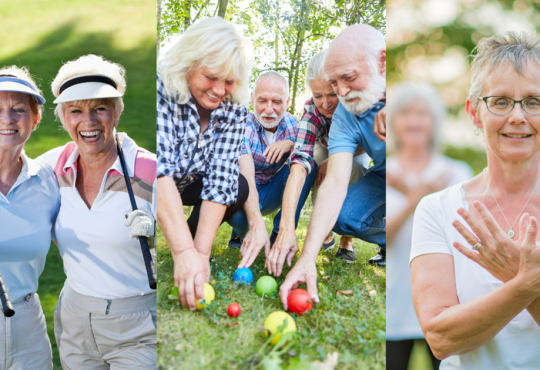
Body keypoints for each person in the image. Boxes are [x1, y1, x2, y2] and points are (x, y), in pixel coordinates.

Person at [411, 32, 540, 369]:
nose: (517, 116)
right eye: (500, 101)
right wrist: (524, 283)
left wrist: (515, 276)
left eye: (533, 101)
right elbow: (441, 339)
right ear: (474, 113)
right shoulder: (437, 209)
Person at [37, 54, 157, 369]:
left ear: (116, 112)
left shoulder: (150, 171)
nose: (88, 123)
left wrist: (160, 240)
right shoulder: (51, 167)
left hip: (140, 327)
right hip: (76, 320)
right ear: (62, 117)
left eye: (99, 109)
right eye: (76, 110)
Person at [279, 23, 387, 309]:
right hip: (382, 175)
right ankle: (388, 238)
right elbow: (333, 181)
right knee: (343, 215)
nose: (338, 95)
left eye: (346, 79)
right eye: (333, 84)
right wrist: (306, 257)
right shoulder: (344, 114)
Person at [156, 17, 253, 310]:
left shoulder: (236, 105)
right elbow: (158, 172)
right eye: (211, 77)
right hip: (150, 181)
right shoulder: (161, 92)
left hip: (191, 180)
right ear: (188, 64)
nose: (219, 90)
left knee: (238, 185)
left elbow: (221, 176)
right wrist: (182, 251)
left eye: (229, 81)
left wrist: (199, 253)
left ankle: (192, 238)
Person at [385, 82, 473, 370]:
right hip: (395, 305)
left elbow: (466, 239)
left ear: (434, 122)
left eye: (422, 113)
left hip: (447, 304)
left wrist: (412, 194)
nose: (414, 120)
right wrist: (417, 199)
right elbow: (381, 237)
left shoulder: (457, 173)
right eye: (406, 113)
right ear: (394, 121)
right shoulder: (384, 174)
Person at [268, 50, 371, 274]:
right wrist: (286, 227)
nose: (325, 104)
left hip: (356, 149)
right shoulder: (311, 110)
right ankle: (324, 229)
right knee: (312, 165)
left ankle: (346, 242)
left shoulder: (357, 102)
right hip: (324, 145)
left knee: (355, 169)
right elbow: (299, 161)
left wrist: (337, 159)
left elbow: (368, 141)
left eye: (331, 94)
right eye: (317, 95)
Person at [0, 66, 59, 370]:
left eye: (18, 109)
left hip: (28, 327)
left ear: (35, 119)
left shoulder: (47, 180)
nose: (7, 118)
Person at [227, 71, 316, 269]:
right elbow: (246, 174)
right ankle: (243, 233)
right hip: (244, 193)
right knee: (234, 211)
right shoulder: (242, 125)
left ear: (287, 100)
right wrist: (255, 221)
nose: (269, 109)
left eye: (276, 101)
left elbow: (316, 145)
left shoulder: (295, 125)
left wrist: (291, 143)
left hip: (273, 192)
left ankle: (279, 235)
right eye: (262, 101)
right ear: (252, 99)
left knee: (307, 164)